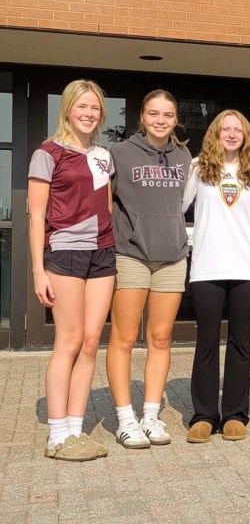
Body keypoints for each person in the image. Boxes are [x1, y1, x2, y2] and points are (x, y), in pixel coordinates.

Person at [28, 79, 115, 461]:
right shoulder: (47, 153)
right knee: (69, 340)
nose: (89, 113)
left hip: (104, 254)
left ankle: (76, 431)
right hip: (65, 253)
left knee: (92, 340)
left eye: (95, 108)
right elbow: (35, 215)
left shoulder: (103, 155)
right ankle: (56, 434)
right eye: (82, 106)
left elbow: (106, 207)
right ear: (67, 109)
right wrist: (38, 270)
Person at [107, 89, 191, 449]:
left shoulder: (185, 156)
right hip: (131, 254)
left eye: (167, 115)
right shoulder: (119, 153)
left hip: (172, 256)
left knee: (160, 339)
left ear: (175, 120)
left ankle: (151, 415)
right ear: (142, 117)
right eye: (154, 114)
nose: (161, 120)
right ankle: (126, 418)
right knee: (124, 339)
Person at [181, 110, 250, 443]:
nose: (231, 134)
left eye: (238, 130)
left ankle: (234, 415)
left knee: (240, 343)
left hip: (246, 268)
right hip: (207, 268)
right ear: (215, 133)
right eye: (225, 129)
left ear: (246, 135)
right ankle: (203, 415)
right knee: (206, 343)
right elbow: (177, 207)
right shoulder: (198, 167)